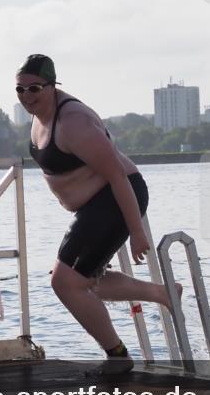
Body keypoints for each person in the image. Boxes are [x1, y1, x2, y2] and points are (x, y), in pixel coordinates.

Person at [16, 54, 179, 375]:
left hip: (115, 199)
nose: (27, 97)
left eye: (34, 88)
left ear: (52, 86)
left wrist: (137, 233)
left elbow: (118, 175)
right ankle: (163, 294)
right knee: (84, 282)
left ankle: (118, 356)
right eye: (20, 90)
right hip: (94, 206)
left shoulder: (73, 121)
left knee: (65, 283)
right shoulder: (39, 115)